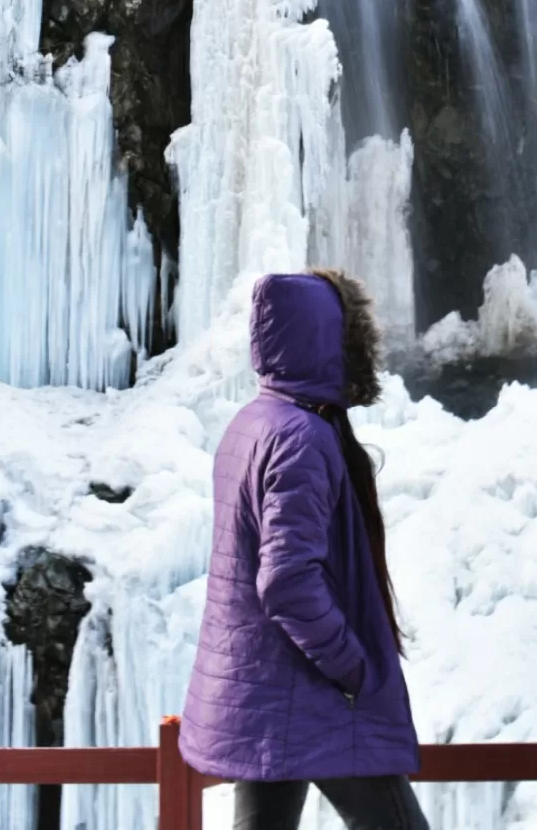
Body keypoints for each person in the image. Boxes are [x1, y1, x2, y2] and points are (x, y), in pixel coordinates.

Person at [180, 270, 429, 830]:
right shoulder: (303, 437)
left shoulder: (253, 422)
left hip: (264, 685)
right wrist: (353, 669)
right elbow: (288, 580)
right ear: (332, 343)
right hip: (313, 694)